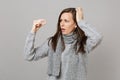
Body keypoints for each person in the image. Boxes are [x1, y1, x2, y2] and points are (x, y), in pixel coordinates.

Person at [24, 7, 102, 80]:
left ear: (75, 24)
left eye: (66, 21)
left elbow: (97, 37)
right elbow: (29, 56)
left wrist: (81, 22)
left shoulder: (83, 43)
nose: (62, 24)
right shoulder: (53, 42)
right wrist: (33, 31)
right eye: (61, 20)